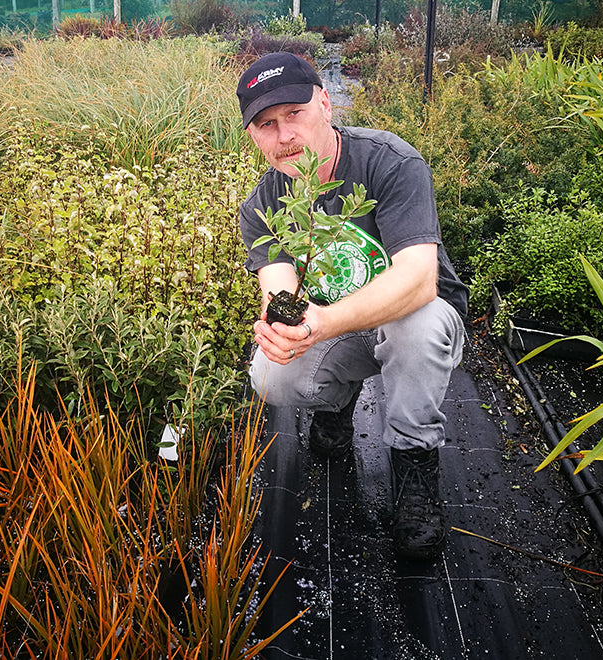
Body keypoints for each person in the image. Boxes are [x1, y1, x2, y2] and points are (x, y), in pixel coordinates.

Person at [236, 52, 469, 559]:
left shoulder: (389, 162)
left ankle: (413, 465)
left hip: (412, 317)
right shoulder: (261, 205)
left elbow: (418, 281)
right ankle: (335, 403)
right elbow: (279, 286)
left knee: (418, 327)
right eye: (266, 124)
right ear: (252, 135)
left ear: (325, 101)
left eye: (294, 113)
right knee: (272, 377)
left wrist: (322, 321)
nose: (284, 136)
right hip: (334, 325)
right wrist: (283, 329)